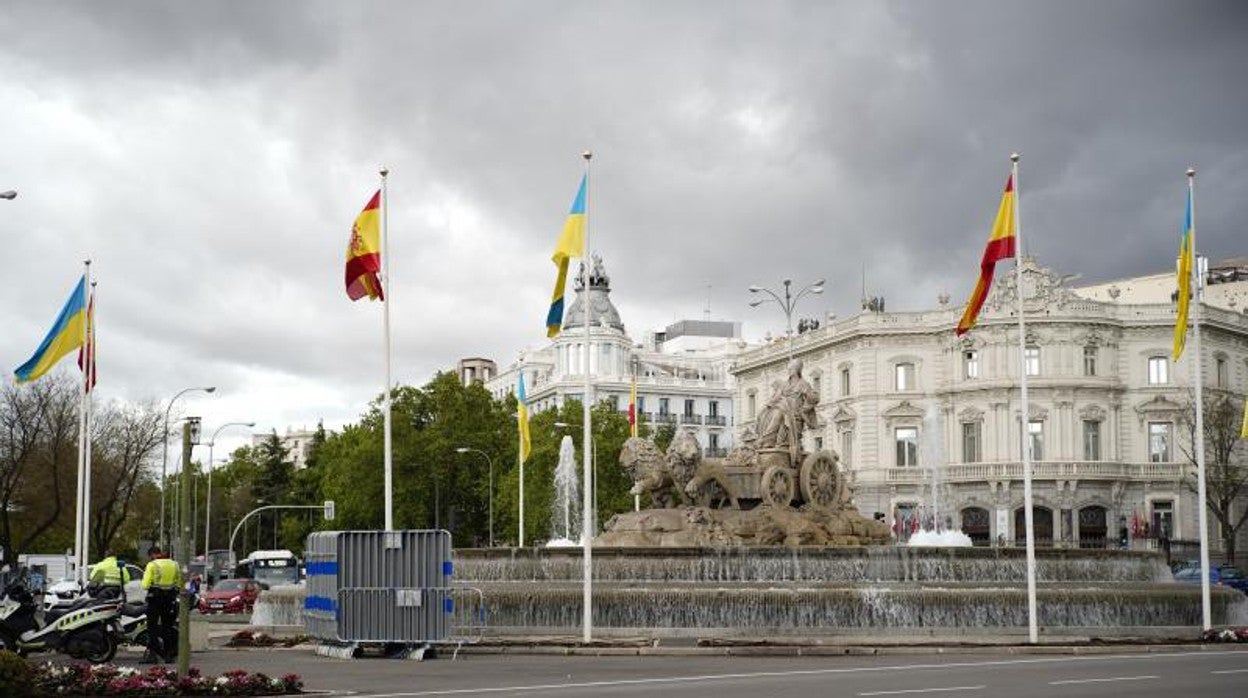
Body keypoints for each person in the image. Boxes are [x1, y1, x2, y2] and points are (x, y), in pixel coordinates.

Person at [141, 545, 182, 663]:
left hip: (155, 599)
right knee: (167, 627)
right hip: (170, 599)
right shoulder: (175, 565)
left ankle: (153, 655)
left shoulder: (152, 565)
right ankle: (169, 655)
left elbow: (145, 585)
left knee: (152, 628)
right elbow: (179, 583)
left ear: (153, 555)